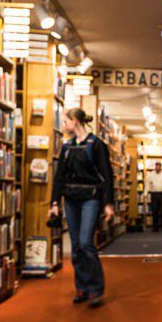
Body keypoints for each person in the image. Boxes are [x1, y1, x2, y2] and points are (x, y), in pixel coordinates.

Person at [50, 108, 115, 307]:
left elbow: (107, 175)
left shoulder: (96, 145)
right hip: (70, 199)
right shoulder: (67, 147)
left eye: (66, 121)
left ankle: (96, 288)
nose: (64, 125)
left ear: (76, 121)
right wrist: (54, 203)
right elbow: (59, 177)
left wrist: (109, 203)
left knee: (86, 242)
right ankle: (82, 287)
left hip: (91, 199)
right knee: (76, 246)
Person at [145, 160, 162, 231]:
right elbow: (147, 184)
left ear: (161, 167)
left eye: (159, 167)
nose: (157, 168)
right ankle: (155, 227)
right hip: (154, 193)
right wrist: (145, 193)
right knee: (154, 210)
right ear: (155, 167)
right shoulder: (151, 174)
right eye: (156, 167)